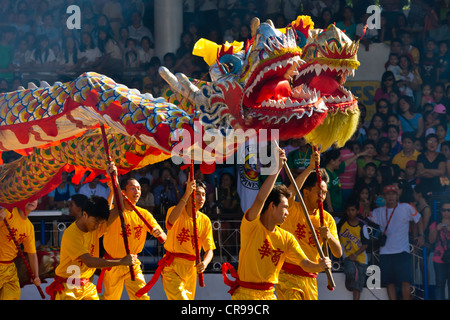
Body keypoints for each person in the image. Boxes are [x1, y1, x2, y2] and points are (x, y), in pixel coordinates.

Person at [223, 147, 331, 300]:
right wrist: (277, 168)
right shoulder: (252, 225)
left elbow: (305, 263)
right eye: (284, 208)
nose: (288, 212)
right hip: (245, 295)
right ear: (272, 206)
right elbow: (261, 199)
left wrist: (320, 265)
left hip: (269, 296)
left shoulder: (286, 238)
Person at [277, 150, 341, 300]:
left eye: (325, 193)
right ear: (305, 192)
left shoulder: (327, 218)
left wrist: (329, 237)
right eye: (319, 192)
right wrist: (310, 168)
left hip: (311, 278)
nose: (322, 197)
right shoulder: (292, 209)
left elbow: (338, 253)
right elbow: (289, 194)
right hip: (288, 276)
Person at [100, 176, 166, 300]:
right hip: (114, 263)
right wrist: (113, 191)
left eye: (139, 189)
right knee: (111, 298)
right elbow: (105, 214)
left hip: (133, 264)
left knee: (142, 297)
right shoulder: (115, 212)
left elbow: (163, 236)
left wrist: (159, 233)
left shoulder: (144, 214)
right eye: (133, 188)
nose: (137, 192)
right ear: (123, 193)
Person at [154, 176, 215, 300]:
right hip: (172, 267)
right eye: (197, 194)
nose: (201, 198)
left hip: (190, 269)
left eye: (203, 195)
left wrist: (205, 262)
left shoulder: (205, 220)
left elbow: (209, 249)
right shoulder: (174, 210)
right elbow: (170, 222)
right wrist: (187, 194)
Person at [368, 184, 424, 300]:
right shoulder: (379, 211)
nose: (391, 197)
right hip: (385, 252)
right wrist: (366, 203)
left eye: (393, 194)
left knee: (405, 281)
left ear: (398, 195)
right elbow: (366, 217)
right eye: (388, 194)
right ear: (384, 196)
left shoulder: (406, 207)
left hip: (402, 250)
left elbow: (418, 219)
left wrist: (421, 235)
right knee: (389, 282)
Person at [0, 201, 40, 300]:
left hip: (10, 269)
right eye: (31, 198)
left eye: (36, 199)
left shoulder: (29, 227)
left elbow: (32, 254)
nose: (33, 201)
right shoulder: (7, 213)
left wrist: (36, 276)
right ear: (22, 198)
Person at [337, 200, 370, 300]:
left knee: (358, 286)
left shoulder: (362, 225)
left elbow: (365, 244)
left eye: (353, 210)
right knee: (350, 271)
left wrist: (355, 254)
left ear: (357, 211)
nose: (350, 212)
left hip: (361, 258)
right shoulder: (341, 224)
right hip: (347, 256)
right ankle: (348, 282)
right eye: (348, 210)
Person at [428, 199, 450, 300]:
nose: (446, 212)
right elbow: (431, 241)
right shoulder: (435, 224)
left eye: (449, 210)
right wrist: (436, 230)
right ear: (440, 211)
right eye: (444, 210)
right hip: (439, 259)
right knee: (439, 285)